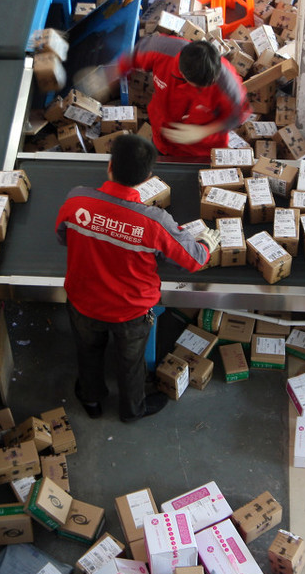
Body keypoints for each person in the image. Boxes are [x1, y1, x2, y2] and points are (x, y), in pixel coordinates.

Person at [55, 134, 220, 422]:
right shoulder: (154, 221)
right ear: (147, 178)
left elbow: (62, 237)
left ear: (109, 166)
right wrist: (207, 242)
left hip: (82, 302)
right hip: (130, 312)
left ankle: (91, 401)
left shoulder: (76, 200)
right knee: (131, 363)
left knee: (87, 353)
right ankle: (132, 410)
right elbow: (194, 259)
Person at [116, 36, 250, 158]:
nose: (202, 90)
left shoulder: (228, 85)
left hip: (202, 151)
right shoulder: (162, 50)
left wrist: (203, 131)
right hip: (163, 137)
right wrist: (107, 77)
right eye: (198, 86)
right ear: (182, 73)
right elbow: (132, 58)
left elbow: (238, 114)